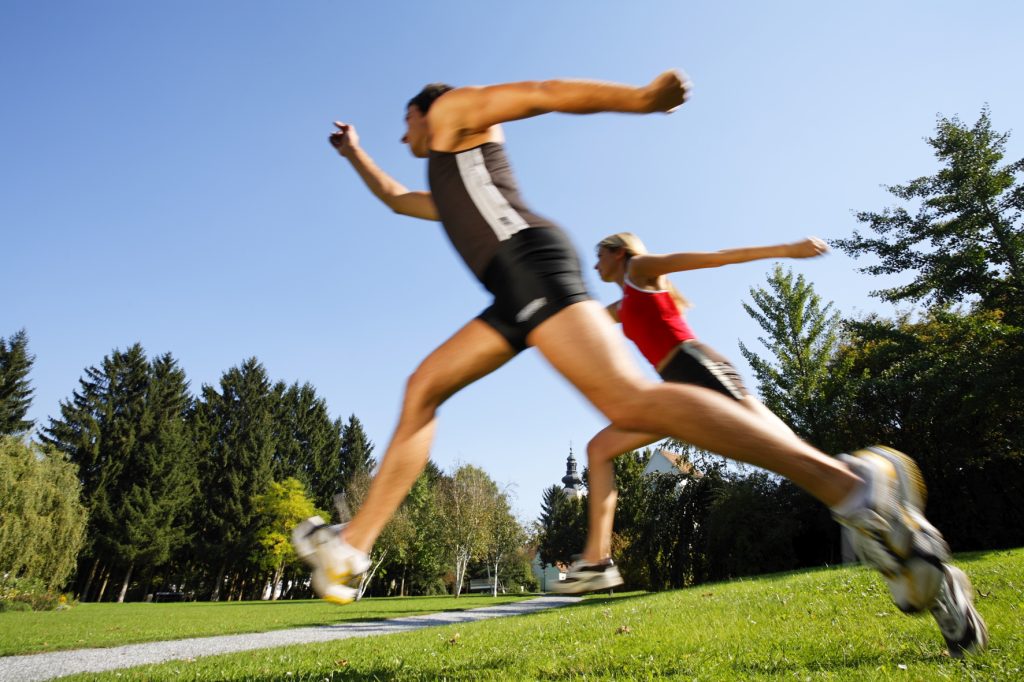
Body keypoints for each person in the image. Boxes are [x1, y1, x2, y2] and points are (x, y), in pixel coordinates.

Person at [290, 69, 967, 652]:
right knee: (424, 389)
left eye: (402, 122)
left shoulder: (451, 113)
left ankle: (852, 488)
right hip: (510, 288)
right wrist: (355, 154)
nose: (405, 134)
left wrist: (641, 99)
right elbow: (394, 198)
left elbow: (541, 93)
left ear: (423, 109)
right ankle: (352, 550)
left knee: (629, 405)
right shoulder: (450, 182)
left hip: (529, 264)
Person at [547, 230, 986, 657]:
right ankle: (598, 561)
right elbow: (579, 324)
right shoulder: (622, 304)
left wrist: (788, 250)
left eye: (599, 253)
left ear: (619, 252)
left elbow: (716, 255)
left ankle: (876, 502)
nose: (594, 263)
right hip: (676, 394)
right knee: (601, 448)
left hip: (701, 372)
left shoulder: (641, 270)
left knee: (790, 456)